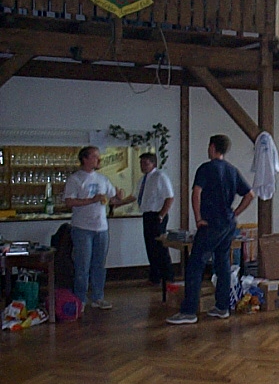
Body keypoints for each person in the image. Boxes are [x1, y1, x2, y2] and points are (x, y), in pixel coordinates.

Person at [166, 134, 255, 325]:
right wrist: (235, 213)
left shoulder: (206, 168)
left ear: (213, 147)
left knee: (195, 265)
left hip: (211, 224)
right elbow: (250, 195)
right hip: (228, 224)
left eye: (209, 146)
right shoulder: (232, 170)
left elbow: (196, 193)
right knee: (222, 263)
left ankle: (189, 311)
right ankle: (222, 307)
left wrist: (198, 218)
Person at [64, 146, 132, 310]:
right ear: (85, 159)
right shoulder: (75, 179)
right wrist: (92, 200)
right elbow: (69, 202)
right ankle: (80, 299)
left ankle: (98, 297)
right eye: (95, 157)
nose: (99, 160)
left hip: (101, 228)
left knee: (99, 265)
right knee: (82, 265)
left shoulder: (103, 179)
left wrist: (119, 197)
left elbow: (113, 199)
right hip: (82, 228)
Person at [135, 152, 175, 285]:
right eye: (141, 163)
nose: (142, 166)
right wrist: (118, 203)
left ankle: (168, 277)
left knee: (160, 247)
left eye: (145, 163)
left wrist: (161, 215)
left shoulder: (160, 176)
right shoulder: (143, 179)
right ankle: (155, 277)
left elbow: (169, 198)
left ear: (153, 164)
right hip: (147, 215)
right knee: (150, 248)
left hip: (157, 215)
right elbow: (135, 196)